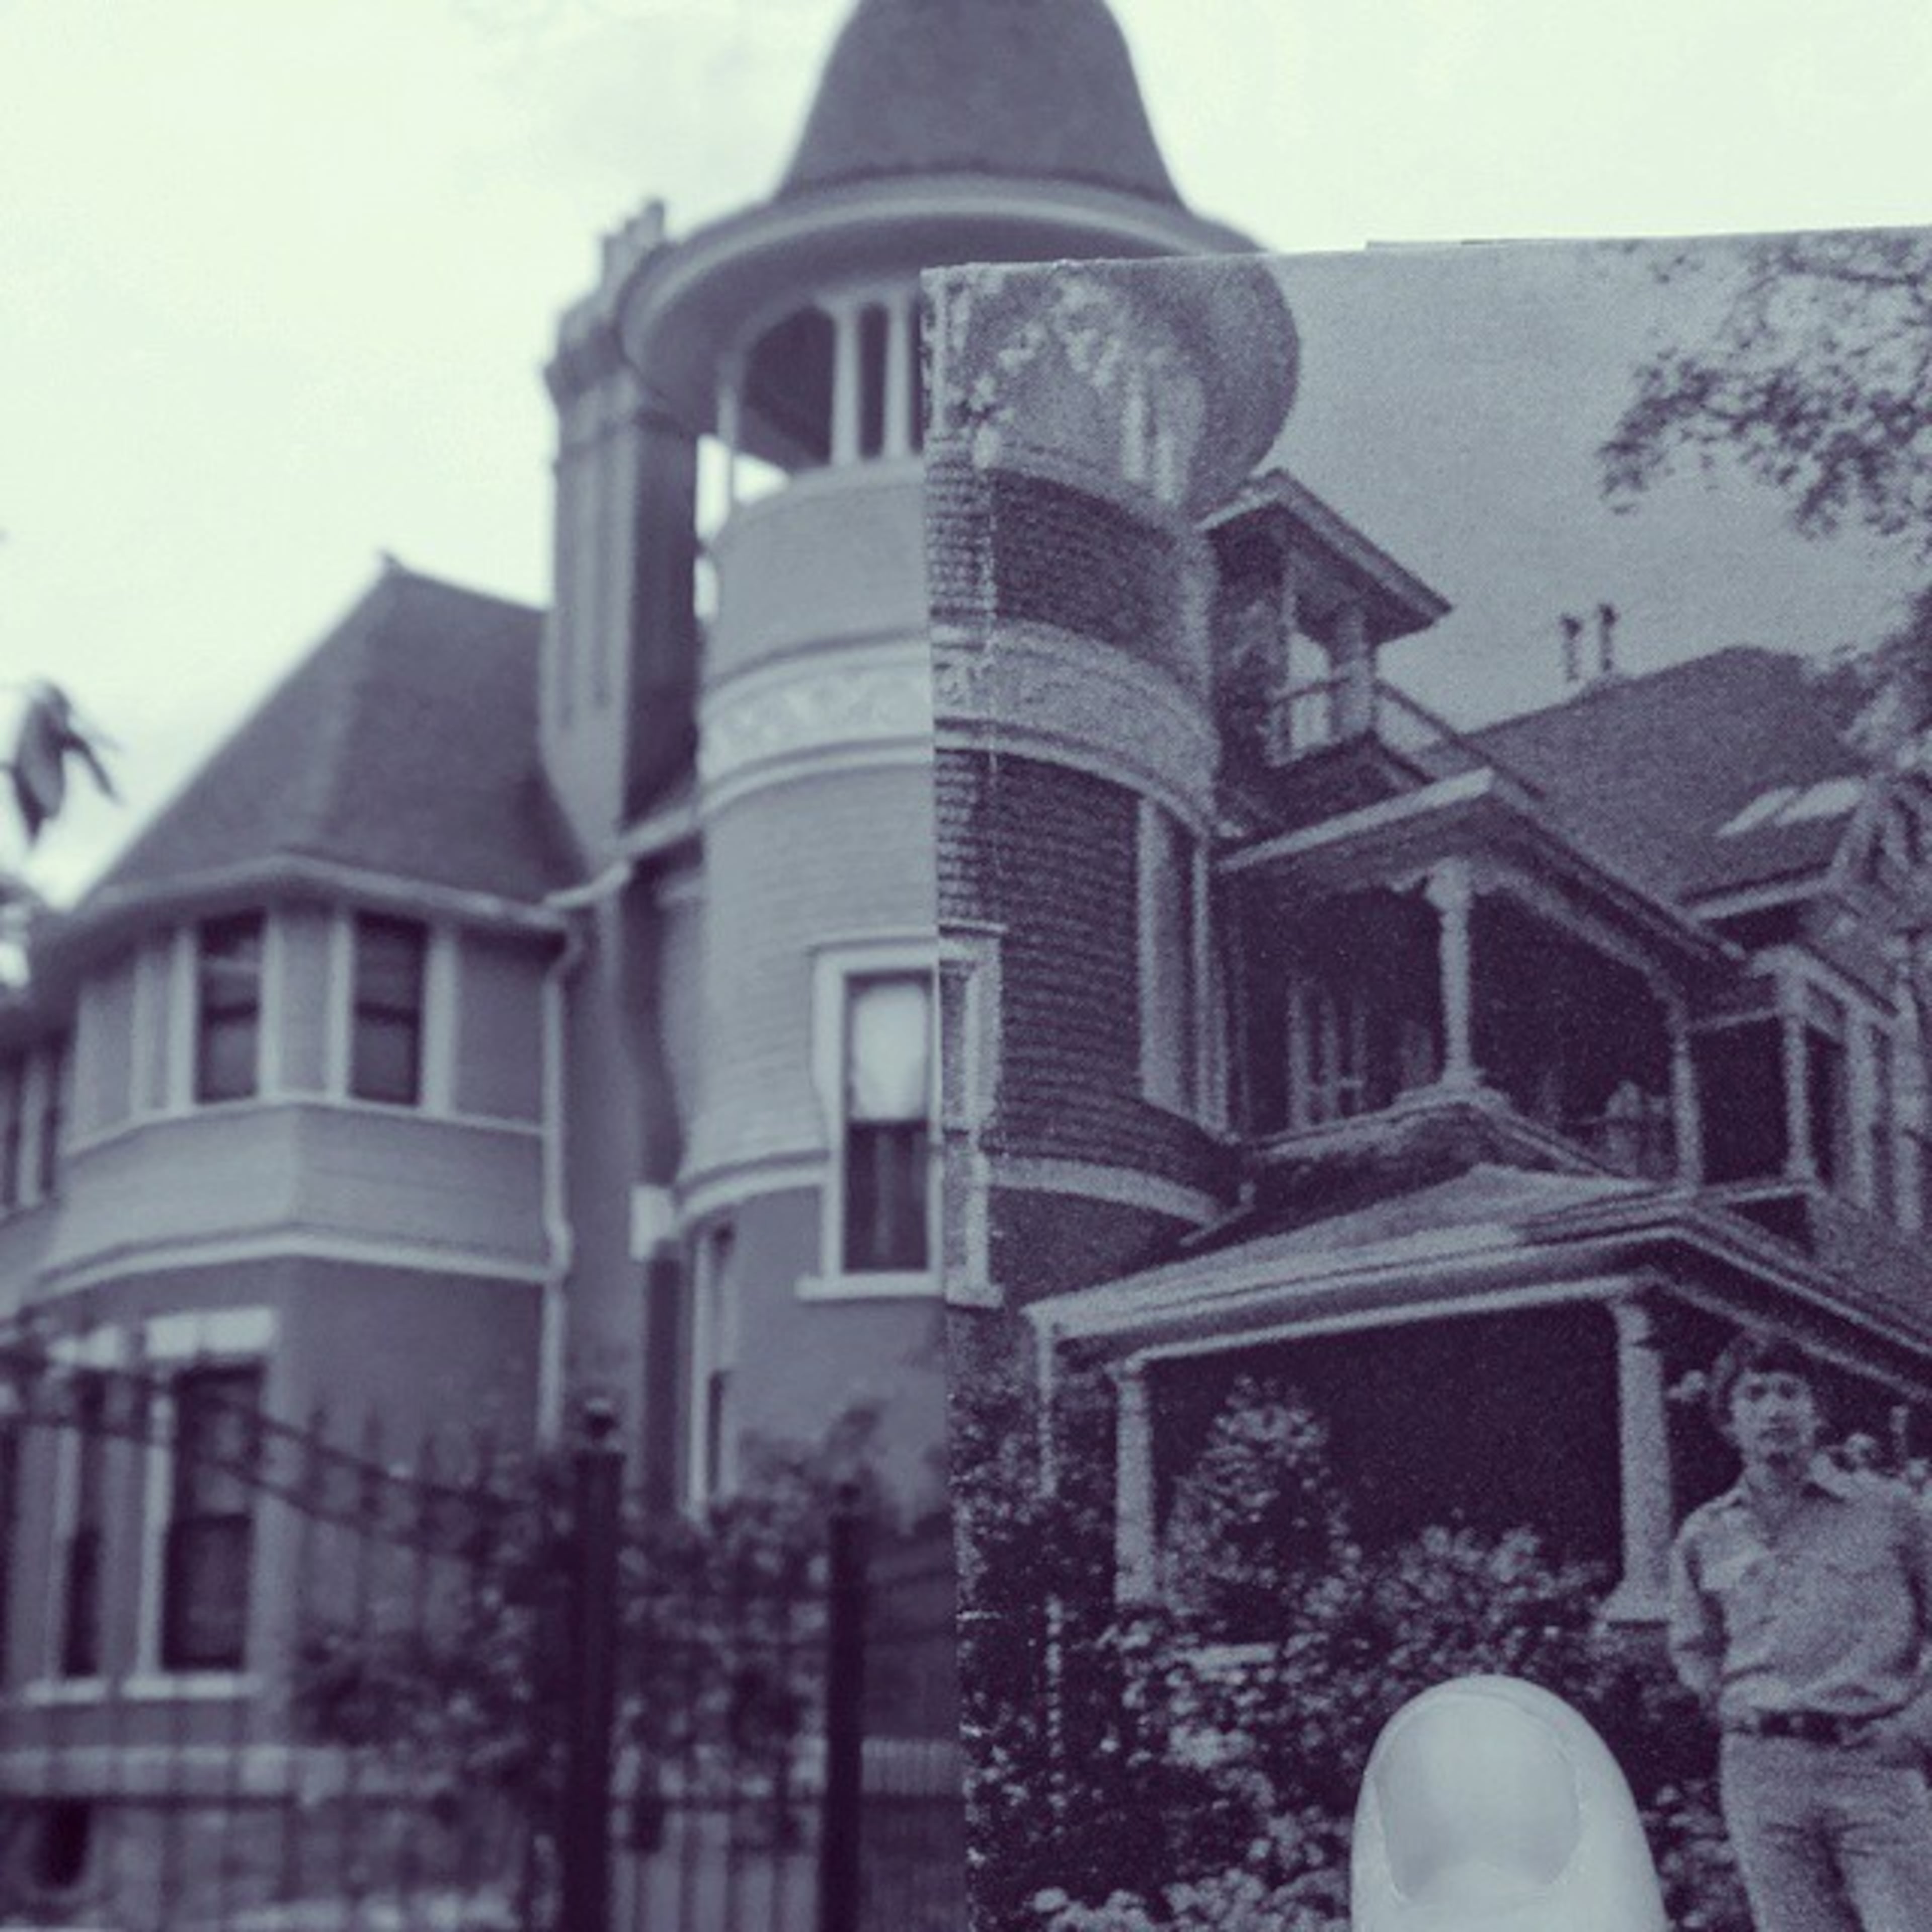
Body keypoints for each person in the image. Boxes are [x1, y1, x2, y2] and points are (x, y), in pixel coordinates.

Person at [1670, 1330, 1932, 1931]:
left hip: (1874, 1762)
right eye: (1754, 1394)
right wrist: (1735, 1711)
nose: (1774, 1408)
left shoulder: (1888, 1512)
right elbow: (1696, 1645)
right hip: (1763, 1773)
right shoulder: (1706, 1533)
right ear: (1729, 1420)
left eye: (1790, 1391)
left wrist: (1917, 1729)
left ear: (1818, 1412)